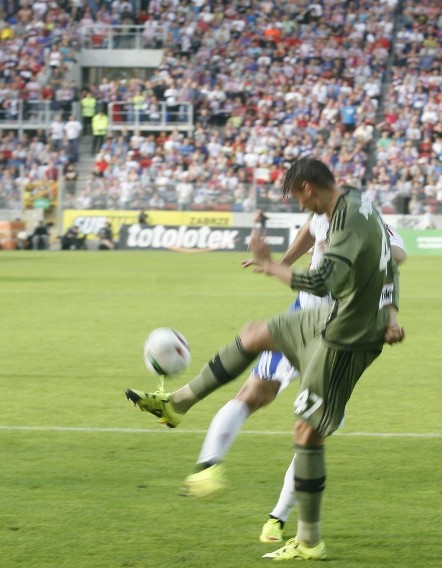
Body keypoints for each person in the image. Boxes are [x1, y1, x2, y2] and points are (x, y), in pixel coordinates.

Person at [125, 157, 404, 560]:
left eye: (296, 197)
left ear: (309, 188)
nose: (298, 206)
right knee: (254, 334)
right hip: (327, 317)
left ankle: (309, 541)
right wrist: (392, 313)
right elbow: (389, 269)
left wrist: (272, 265)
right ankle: (176, 404)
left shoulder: (348, 222)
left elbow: (326, 280)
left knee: (306, 435)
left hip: (347, 338)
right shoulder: (358, 202)